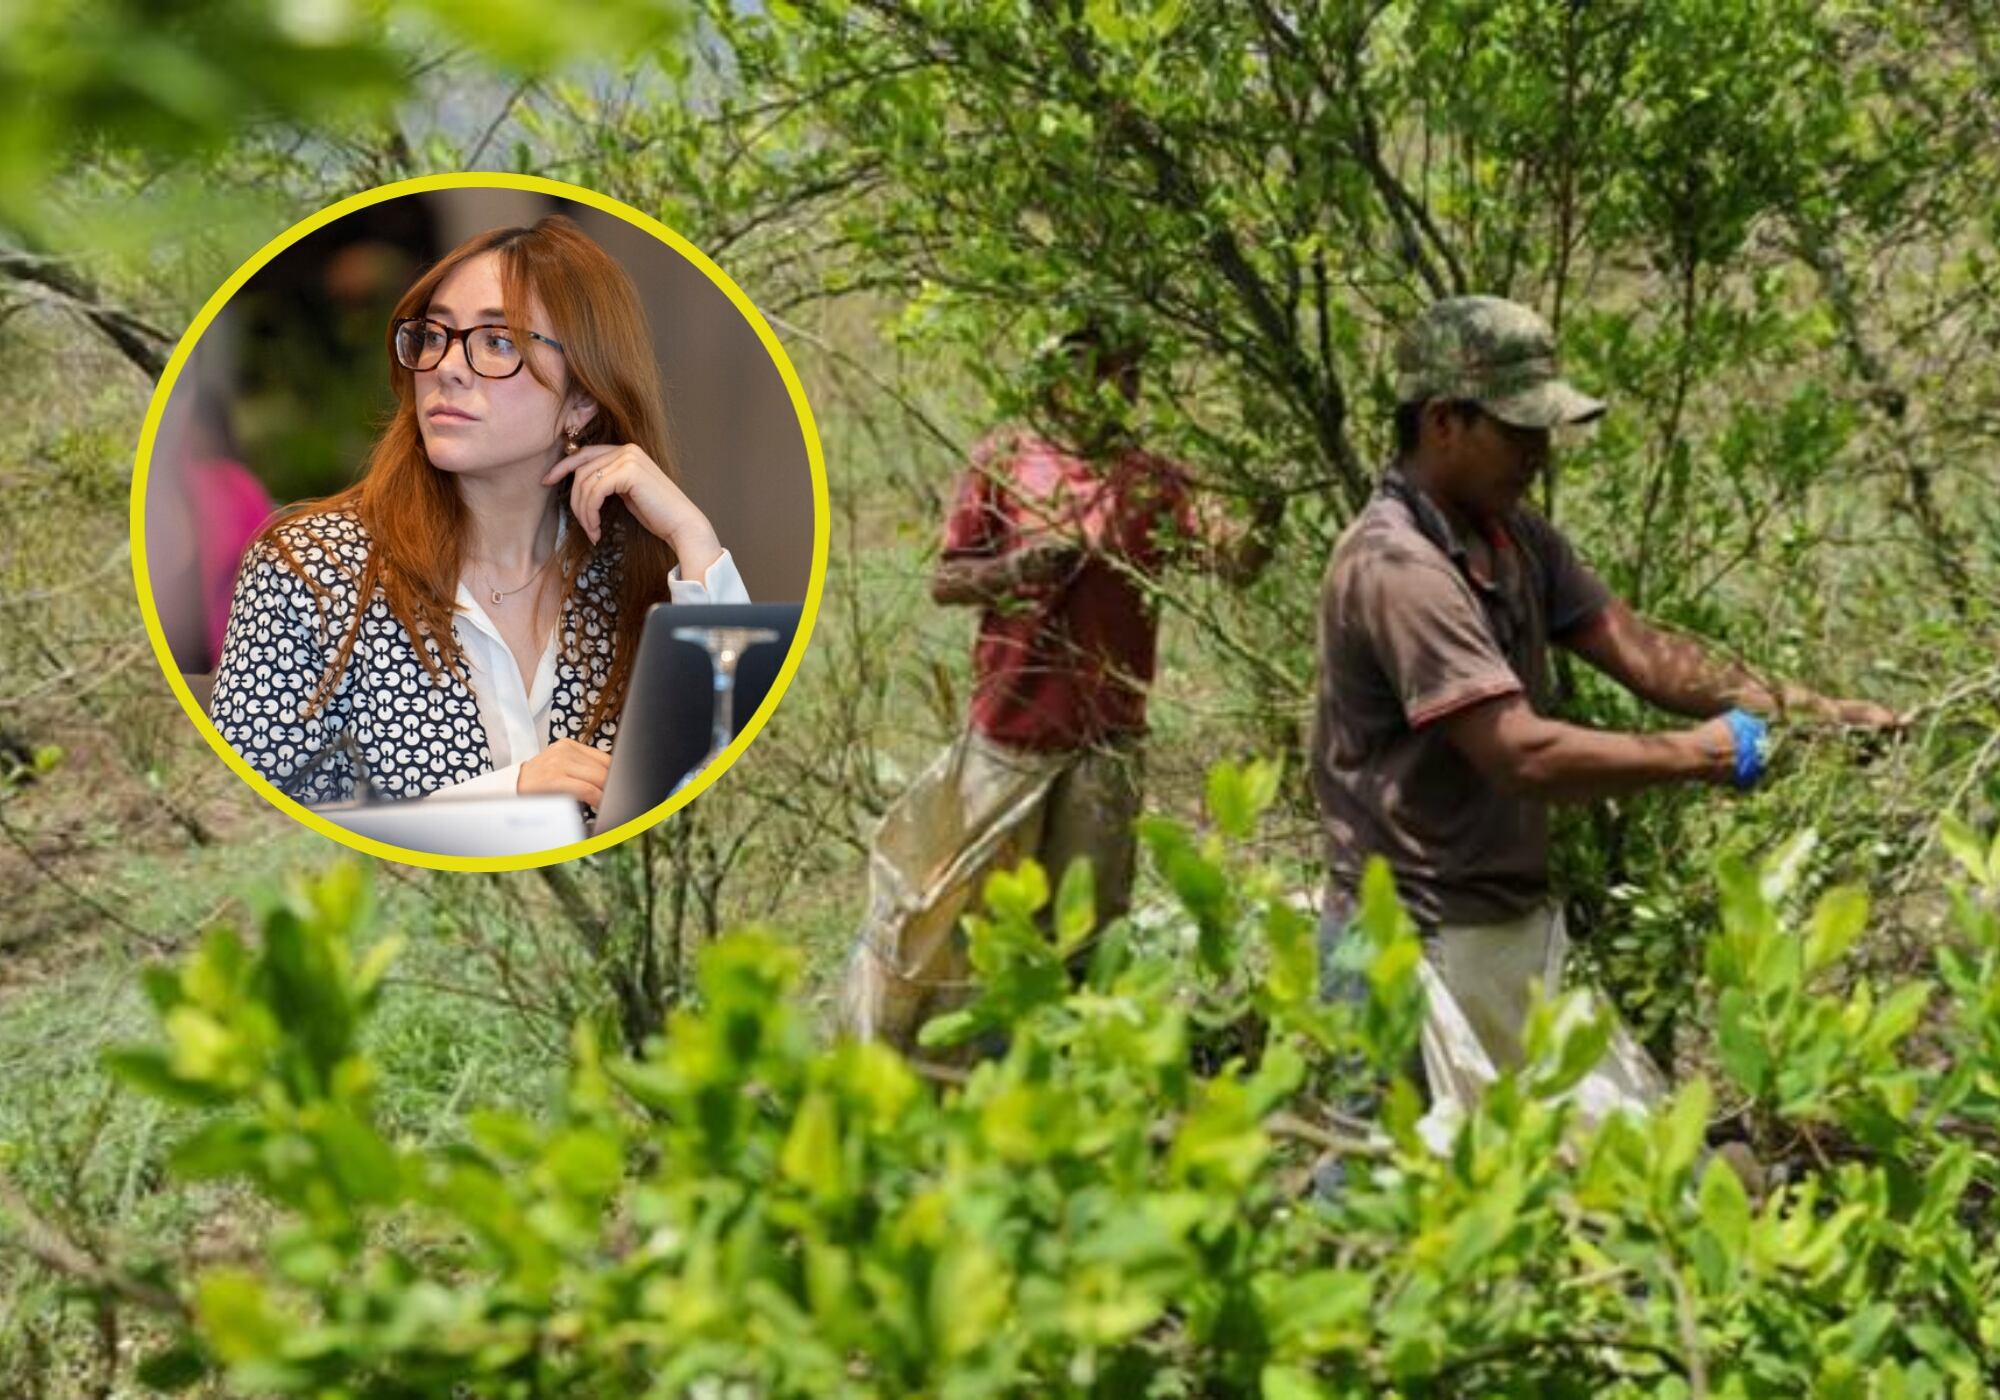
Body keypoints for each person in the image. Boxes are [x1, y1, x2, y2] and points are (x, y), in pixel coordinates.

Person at [1311, 294, 1900, 1117]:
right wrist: (1701, 755)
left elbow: (1649, 659)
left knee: (1583, 1190)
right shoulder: (1396, 567)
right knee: (1380, 1208)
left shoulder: (1514, 537)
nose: (1539, 454)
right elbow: (1520, 754)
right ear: (1443, 421)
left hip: (1500, 929)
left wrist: (1816, 713)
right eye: (1518, 431)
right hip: (1407, 942)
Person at [842, 321, 1283, 1051]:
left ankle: (1067, 1070)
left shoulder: (1152, 479)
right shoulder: (1007, 461)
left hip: (1102, 741)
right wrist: (1013, 574)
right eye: (1097, 371)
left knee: (1082, 929)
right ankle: (927, 1067)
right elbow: (947, 581)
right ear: (1057, 379)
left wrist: (1269, 504)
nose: (1116, 388)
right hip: (1008, 735)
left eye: (1127, 372)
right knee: (959, 915)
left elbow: (1235, 561)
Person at [210, 214, 749, 811]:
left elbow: (731, 810)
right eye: (434, 336)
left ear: (582, 399)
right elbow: (251, 825)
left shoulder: (627, 577)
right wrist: (502, 800)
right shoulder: (309, 570)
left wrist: (694, 540)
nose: (447, 366)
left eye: (498, 342)